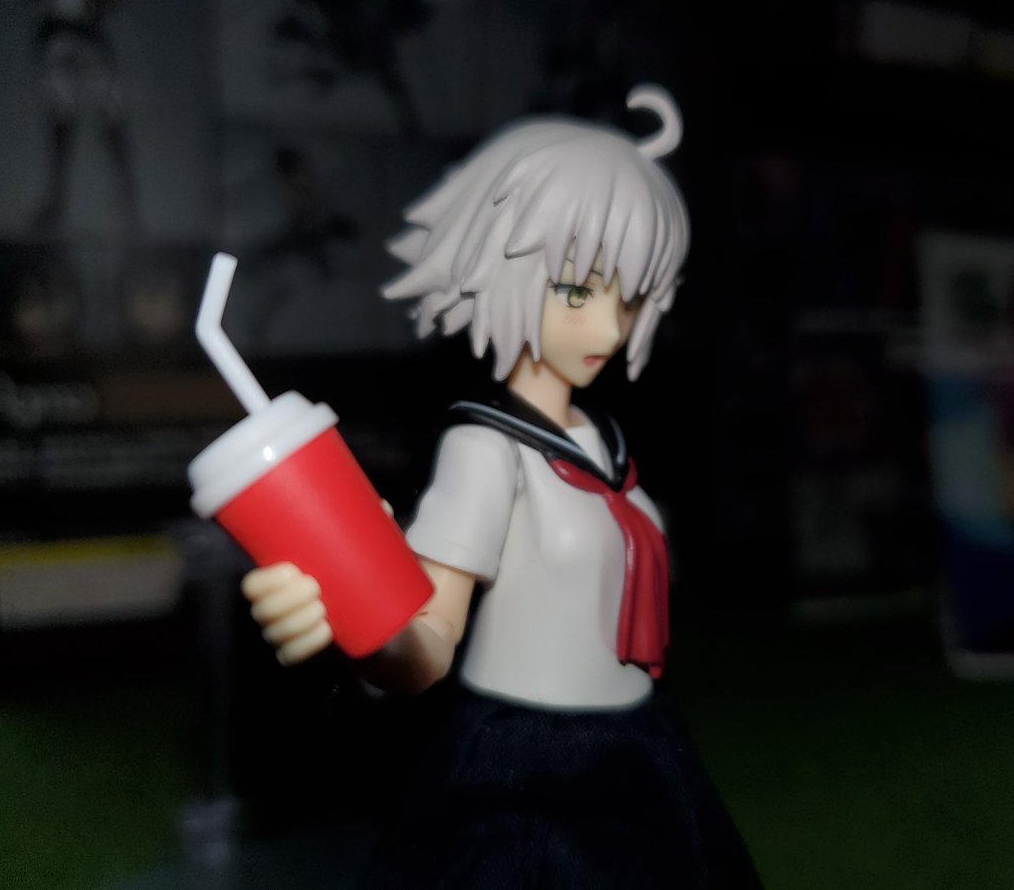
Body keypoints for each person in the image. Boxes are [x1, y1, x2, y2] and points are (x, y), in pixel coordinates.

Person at [241, 84, 762, 889]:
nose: (608, 326)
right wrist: (357, 617)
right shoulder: (488, 450)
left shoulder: (608, 443)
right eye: (577, 291)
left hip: (640, 750)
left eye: (628, 297)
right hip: (529, 772)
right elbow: (429, 642)